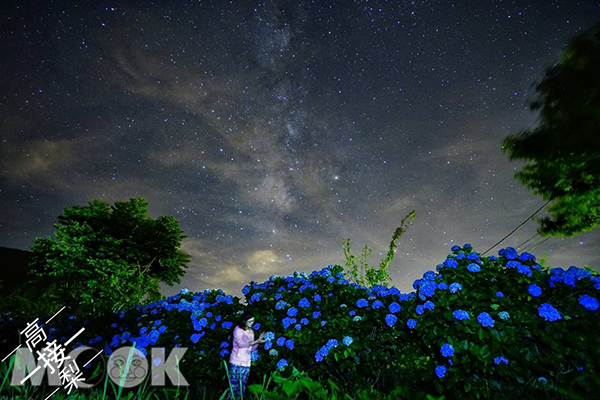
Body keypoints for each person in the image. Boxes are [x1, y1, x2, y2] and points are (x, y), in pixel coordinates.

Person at [226, 311, 266, 400]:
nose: (252, 323)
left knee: (242, 389)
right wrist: (256, 341)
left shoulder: (251, 332)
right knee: (233, 388)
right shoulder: (238, 329)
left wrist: (259, 341)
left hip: (246, 363)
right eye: (250, 321)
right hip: (236, 362)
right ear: (244, 321)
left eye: (253, 321)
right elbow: (241, 344)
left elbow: (251, 348)